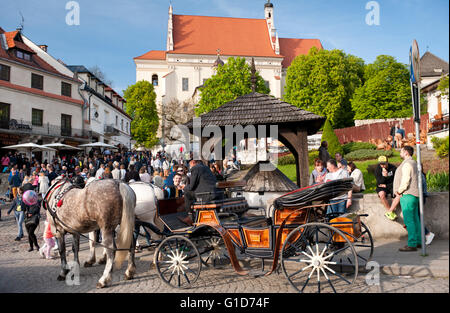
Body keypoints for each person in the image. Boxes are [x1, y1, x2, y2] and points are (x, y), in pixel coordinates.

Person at [392, 146, 421, 252]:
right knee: (415, 219)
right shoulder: (414, 162)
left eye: (401, 151)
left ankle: (412, 244)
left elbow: (405, 181)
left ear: (406, 152)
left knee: (409, 220)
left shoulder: (407, 164)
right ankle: (418, 241)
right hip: (415, 194)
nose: (400, 152)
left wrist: (399, 191)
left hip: (407, 194)